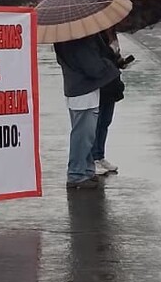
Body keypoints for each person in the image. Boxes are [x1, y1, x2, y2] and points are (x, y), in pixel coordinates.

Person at [54, 34, 120, 190]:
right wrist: (110, 61)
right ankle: (77, 174)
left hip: (77, 89)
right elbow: (93, 68)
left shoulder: (63, 36)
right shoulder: (79, 39)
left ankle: (85, 171)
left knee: (84, 134)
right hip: (84, 91)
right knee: (83, 136)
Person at [92, 28, 128, 175]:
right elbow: (99, 59)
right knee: (97, 122)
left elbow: (112, 59)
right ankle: (93, 158)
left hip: (112, 84)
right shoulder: (96, 35)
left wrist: (120, 62)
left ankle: (100, 156)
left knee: (105, 122)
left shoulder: (111, 33)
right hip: (100, 84)